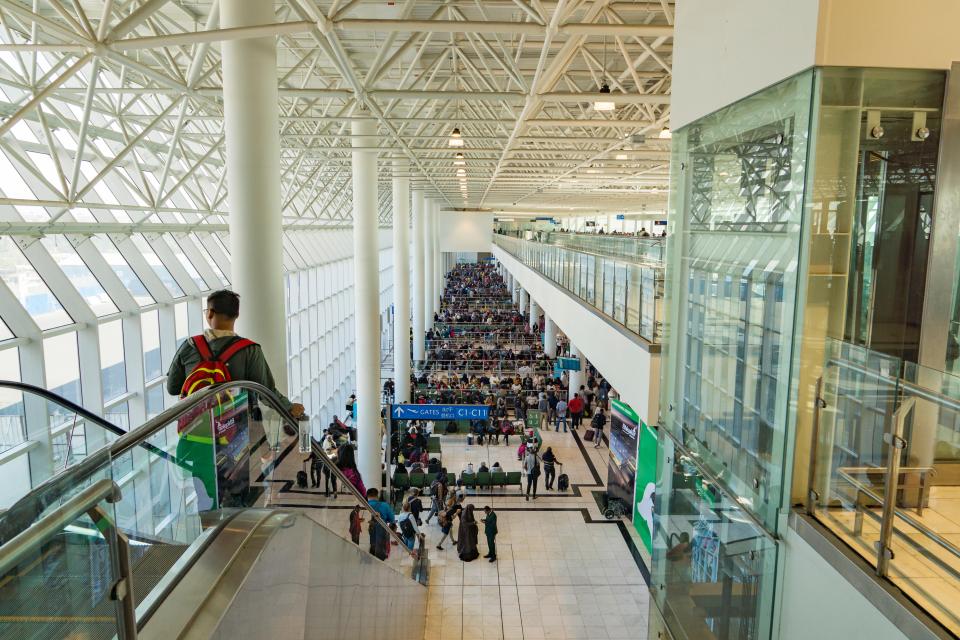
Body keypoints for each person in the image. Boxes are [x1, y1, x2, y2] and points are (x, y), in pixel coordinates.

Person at [165, 289, 304, 417]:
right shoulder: (250, 350)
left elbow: (173, 388)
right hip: (234, 428)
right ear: (236, 315)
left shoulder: (189, 346)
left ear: (210, 313)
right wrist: (289, 407)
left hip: (196, 427)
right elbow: (266, 391)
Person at [366, 488, 395, 560]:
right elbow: (392, 519)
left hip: (369, 530)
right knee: (380, 548)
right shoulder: (384, 505)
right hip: (381, 531)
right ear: (377, 495)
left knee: (371, 545)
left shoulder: (364, 505)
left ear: (367, 496)